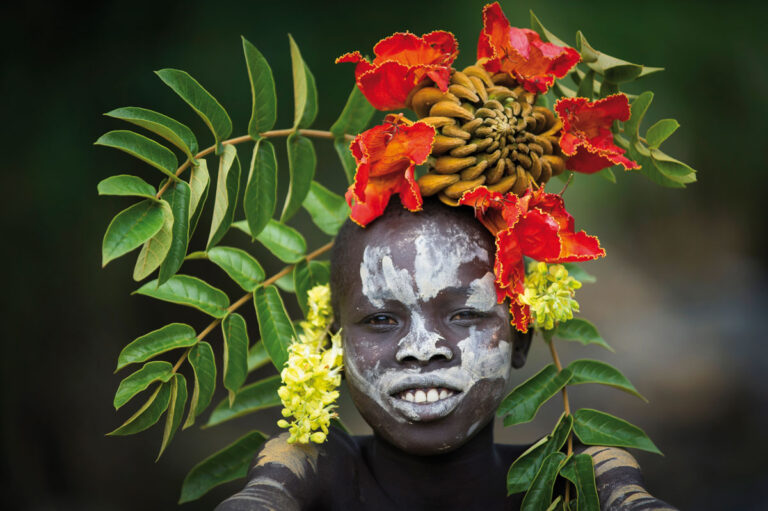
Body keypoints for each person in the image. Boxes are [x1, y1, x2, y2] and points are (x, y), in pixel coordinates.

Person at [216, 199, 676, 511]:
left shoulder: (575, 474)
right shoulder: (314, 467)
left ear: (520, 341)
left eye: (463, 315)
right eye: (380, 320)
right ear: (334, 346)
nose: (421, 351)